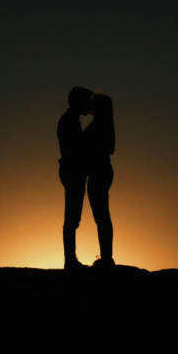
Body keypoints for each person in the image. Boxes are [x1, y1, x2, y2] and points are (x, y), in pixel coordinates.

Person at [57, 86, 93, 270]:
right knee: (72, 219)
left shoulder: (70, 120)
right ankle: (70, 261)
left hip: (71, 170)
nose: (89, 105)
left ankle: (70, 260)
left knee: (72, 218)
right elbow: (76, 149)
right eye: (86, 101)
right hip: (72, 171)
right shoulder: (69, 121)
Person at [83, 93, 115, 269]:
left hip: (99, 171)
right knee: (101, 216)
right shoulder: (103, 124)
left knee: (101, 216)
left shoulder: (102, 125)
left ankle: (106, 258)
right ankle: (106, 257)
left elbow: (109, 148)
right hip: (100, 170)